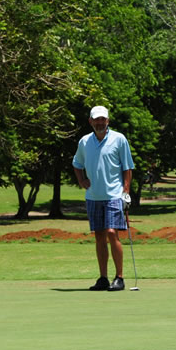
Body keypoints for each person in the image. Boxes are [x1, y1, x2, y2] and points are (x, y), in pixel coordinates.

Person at [73, 106, 134, 291]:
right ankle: (103, 278)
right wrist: (81, 179)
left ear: (107, 121)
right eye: (96, 119)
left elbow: (127, 167)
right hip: (93, 196)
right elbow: (77, 163)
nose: (100, 122)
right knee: (99, 236)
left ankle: (120, 277)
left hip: (114, 194)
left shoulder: (119, 139)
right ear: (91, 121)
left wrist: (125, 191)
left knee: (111, 233)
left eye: (103, 119)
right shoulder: (85, 141)